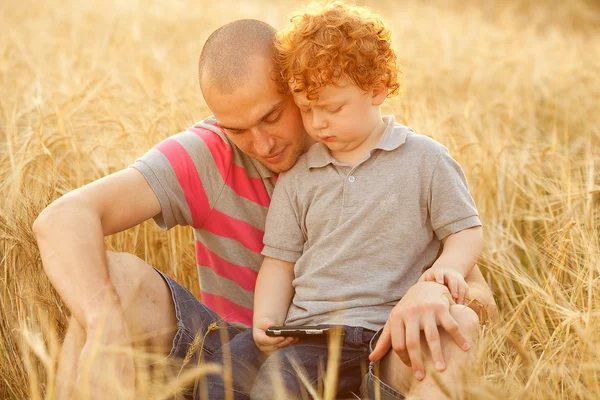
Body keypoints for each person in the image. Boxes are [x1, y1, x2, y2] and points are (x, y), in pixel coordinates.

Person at [32, 16, 496, 400]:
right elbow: (62, 218)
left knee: (455, 325)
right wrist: (103, 325)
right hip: (238, 347)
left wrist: (435, 290)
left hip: (374, 345)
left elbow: (476, 286)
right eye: (237, 128)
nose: (262, 144)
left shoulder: (390, 157)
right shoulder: (207, 155)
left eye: (273, 115)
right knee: (108, 281)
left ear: (300, 87)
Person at [204, 3, 483, 399]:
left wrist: (447, 272)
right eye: (305, 109)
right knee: (240, 379)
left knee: (289, 384)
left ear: (377, 90)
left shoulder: (425, 160)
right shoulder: (300, 177)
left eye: (332, 108)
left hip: (376, 331)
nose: (318, 122)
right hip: (306, 331)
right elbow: (280, 261)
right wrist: (266, 317)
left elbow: (465, 230)